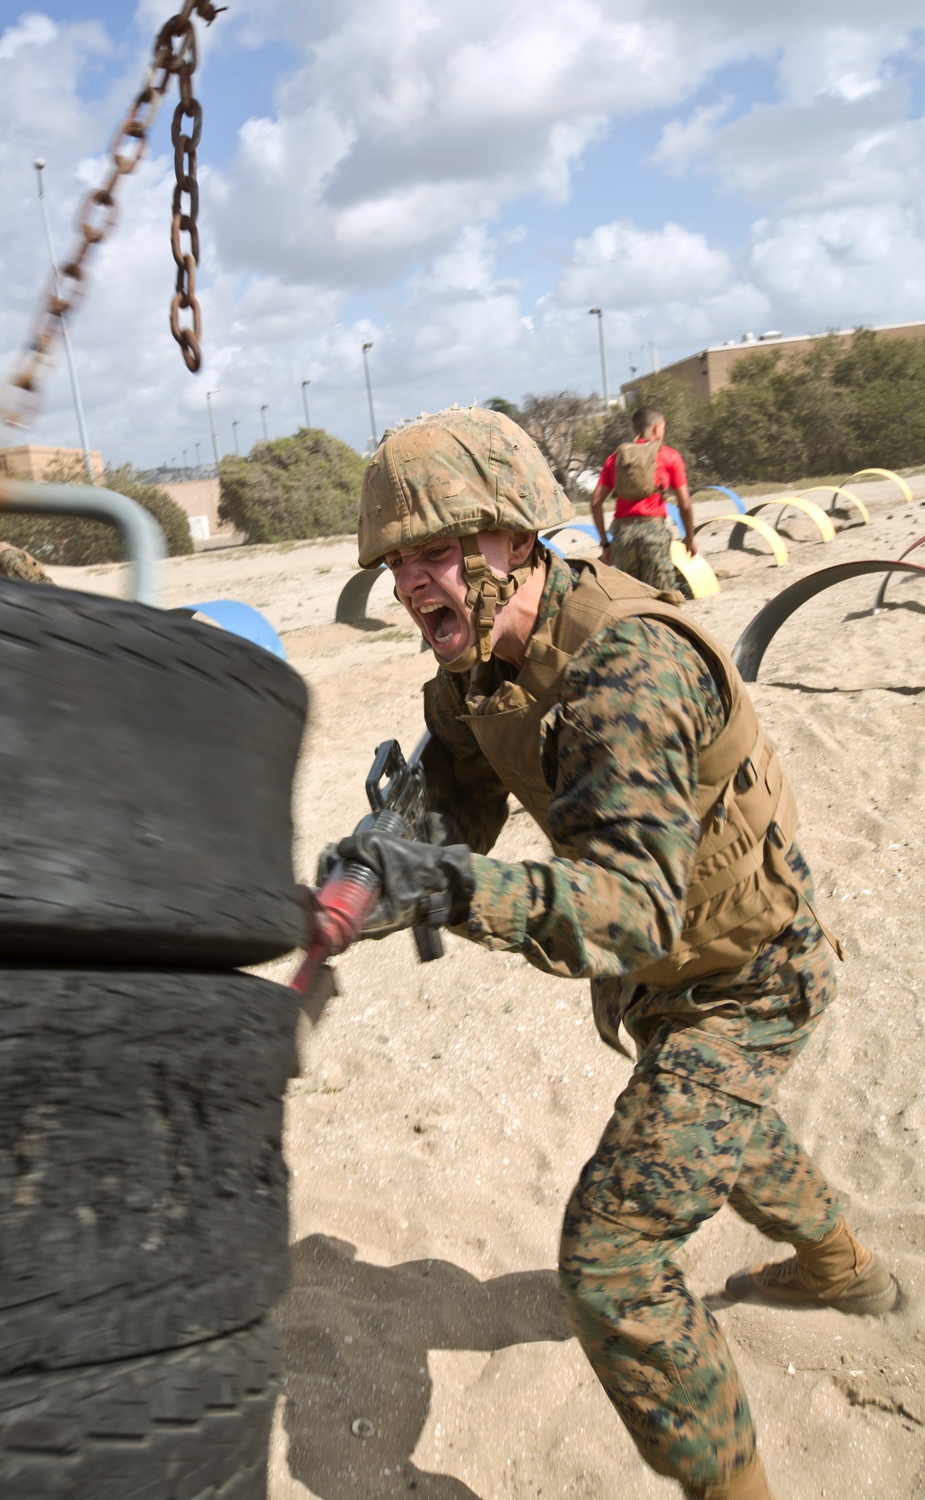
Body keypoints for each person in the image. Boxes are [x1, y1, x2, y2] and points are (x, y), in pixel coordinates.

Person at [317, 406, 897, 1500]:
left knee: (614, 1265)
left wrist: (436, 887)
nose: (409, 583)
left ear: (514, 538)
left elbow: (623, 915)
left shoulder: (625, 670)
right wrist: (361, 879)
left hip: (749, 979)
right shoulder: (479, 667)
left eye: (437, 551)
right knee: (721, 1130)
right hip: (670, 987)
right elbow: (451, 796)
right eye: (396, 561)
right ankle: (842, 1271)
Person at [590, 404, 695, 591]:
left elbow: (595, 502)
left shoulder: (616, 459)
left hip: (623, 537)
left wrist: (605, 544)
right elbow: (685, 504)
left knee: (631, 600)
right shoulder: (669, 456)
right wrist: (689, 537)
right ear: (656, 428)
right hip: (654, 534)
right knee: (662, 600)